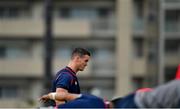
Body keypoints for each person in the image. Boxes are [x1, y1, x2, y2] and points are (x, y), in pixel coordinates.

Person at [40, 79, 180, 108]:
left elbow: (66, 96)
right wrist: (50, 96)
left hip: (127, 103)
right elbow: (66, 96)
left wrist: (50, 96)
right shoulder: (92, 101)